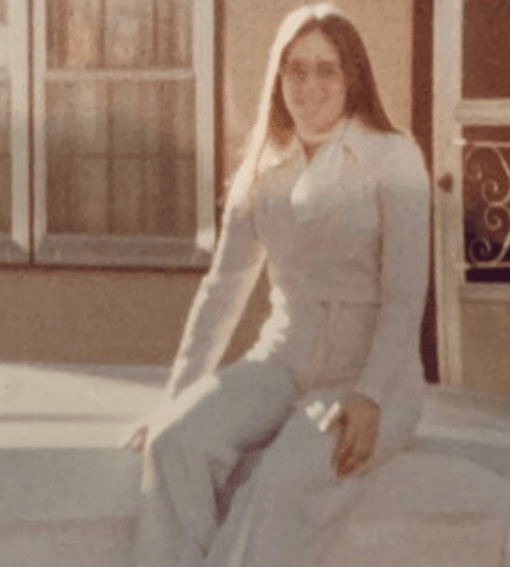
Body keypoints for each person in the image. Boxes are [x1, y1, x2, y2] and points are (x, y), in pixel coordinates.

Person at [123, 4, 431, 567]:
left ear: (353, 76)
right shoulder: (263, 168)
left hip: (371, 379)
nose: (309, 86)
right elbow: (223, 290)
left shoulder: (394, 157)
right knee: (173, 443)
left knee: (280, 481)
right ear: (278, 76)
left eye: (327, 69)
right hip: (284, 363)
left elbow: (406, 297)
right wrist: (177, 399)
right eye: (296, 69)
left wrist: (371, 398)